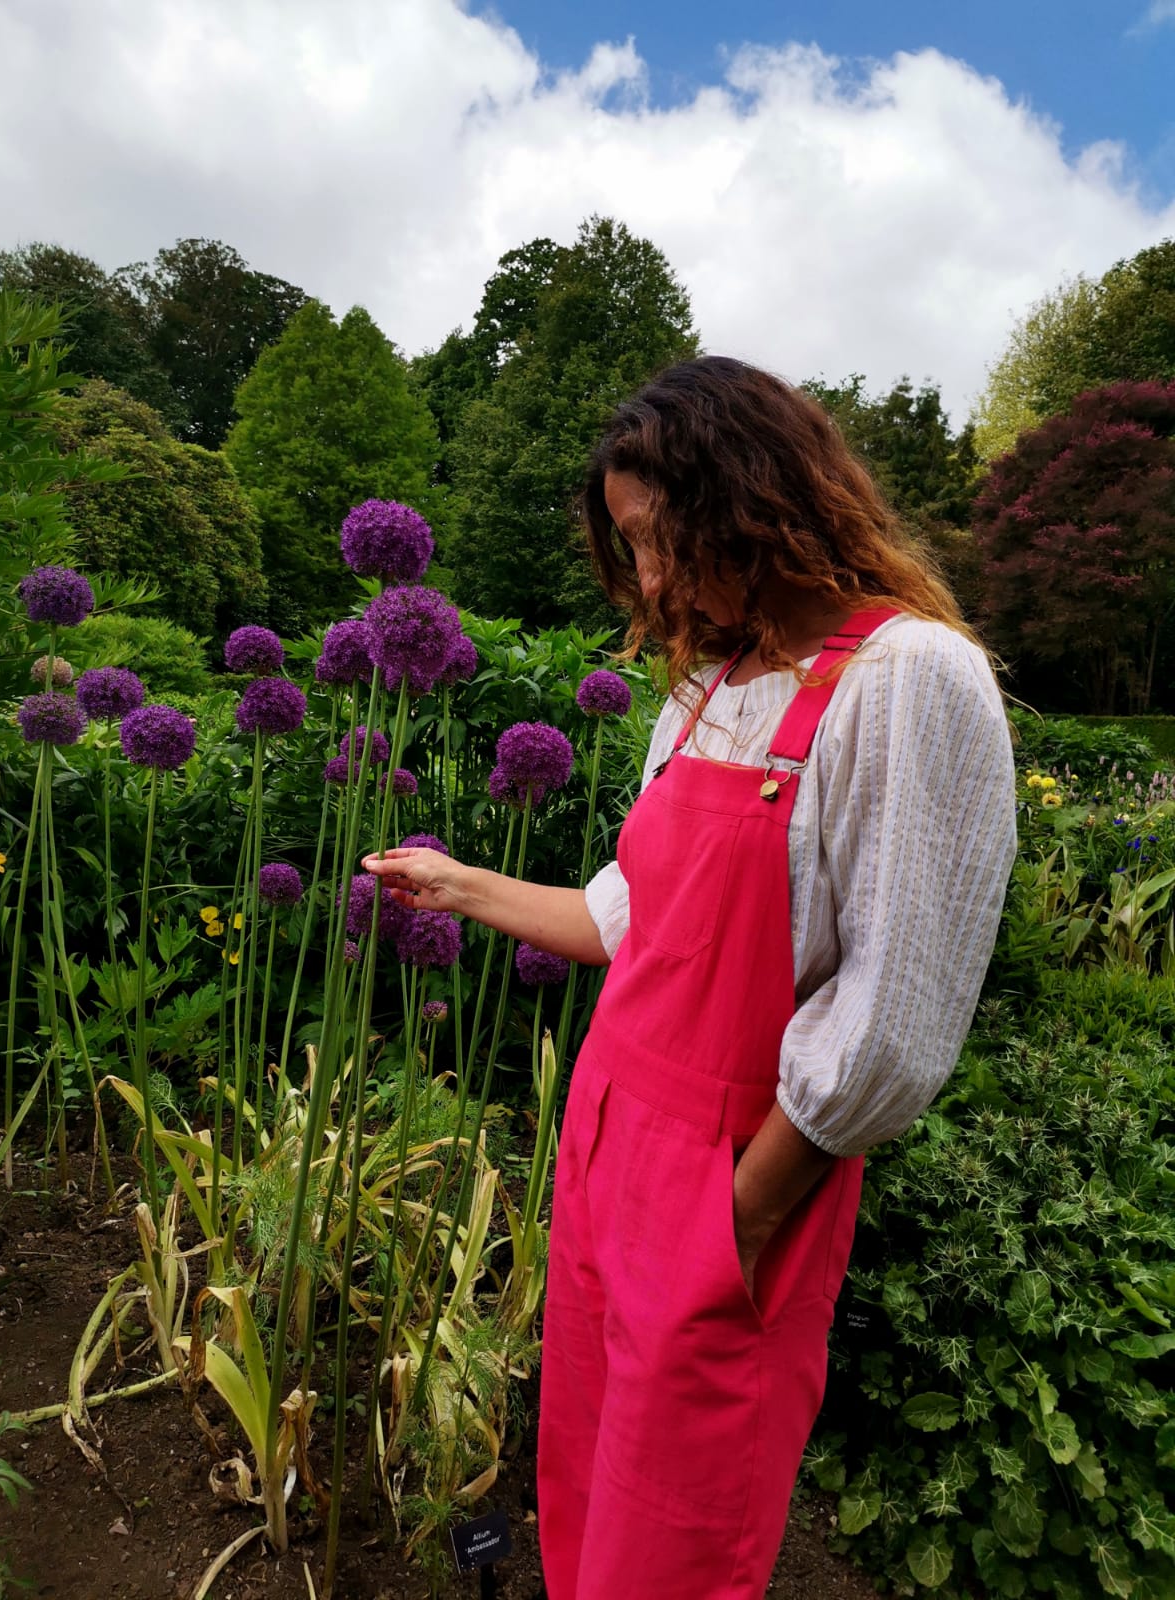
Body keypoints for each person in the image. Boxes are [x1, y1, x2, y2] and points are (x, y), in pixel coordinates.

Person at [363, 356, 1017, 1600]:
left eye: (666, 540)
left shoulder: (908, 682)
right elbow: (630, 920)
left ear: (764, 500)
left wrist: (737, 1225)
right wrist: (452, 883)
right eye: (633, 547)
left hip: (734, 1178)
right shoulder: (710, 694)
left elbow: (892, 1029)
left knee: (675, 1542)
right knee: (588, 1489)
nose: (652, 581)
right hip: (608, 1152)